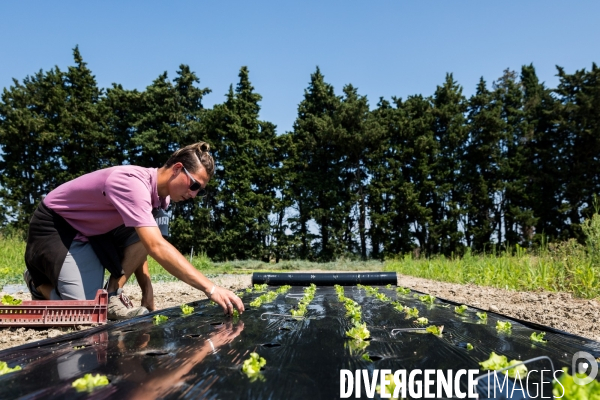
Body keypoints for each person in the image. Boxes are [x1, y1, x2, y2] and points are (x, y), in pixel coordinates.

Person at [23, 142, 244, 320]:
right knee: (84, 315)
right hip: (56, 228)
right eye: (194, 185)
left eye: (200, 191)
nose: (194, 194)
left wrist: (147, 291)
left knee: (157, 222)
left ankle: (110, 295)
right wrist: (211, 288)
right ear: (177, 169)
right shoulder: (131, 184)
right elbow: (155, 246)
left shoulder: (161, 199)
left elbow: (142, 241)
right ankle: (39, 283)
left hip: (92, 233)